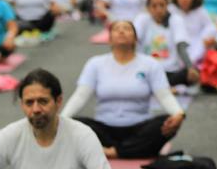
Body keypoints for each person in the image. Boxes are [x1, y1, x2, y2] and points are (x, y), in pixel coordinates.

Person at [60, 20, 186, 159]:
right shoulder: (95, 64)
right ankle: (133, 150)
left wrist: (178, 114)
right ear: (109, 39)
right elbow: (80, 96)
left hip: (139, 128)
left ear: (136, 39)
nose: (121, 31)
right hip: (104, 129)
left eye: (126, 28)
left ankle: (113, 152)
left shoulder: (150, 64)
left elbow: (165, 96)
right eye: (116, 29)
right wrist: (62, 119)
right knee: (74, 125)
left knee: (166, 122)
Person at [134, 0, 199, 86]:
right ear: (148, 8)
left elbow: (180, 45)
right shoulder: (142, 19)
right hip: (147, 71)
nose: (158, 9)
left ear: (167, 6)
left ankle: (157, 87)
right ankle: (162, 87)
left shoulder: (176, 20)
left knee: (191, 74)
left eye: (162, 5)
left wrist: (190, 67)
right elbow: (133, 40)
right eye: (154, 6)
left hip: (169, 71)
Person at [170, 0, 217, 65]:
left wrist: (212, 39)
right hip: (177, 48)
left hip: (198, 47)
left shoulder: (200, 10)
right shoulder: (171, 10)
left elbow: (210, 28)